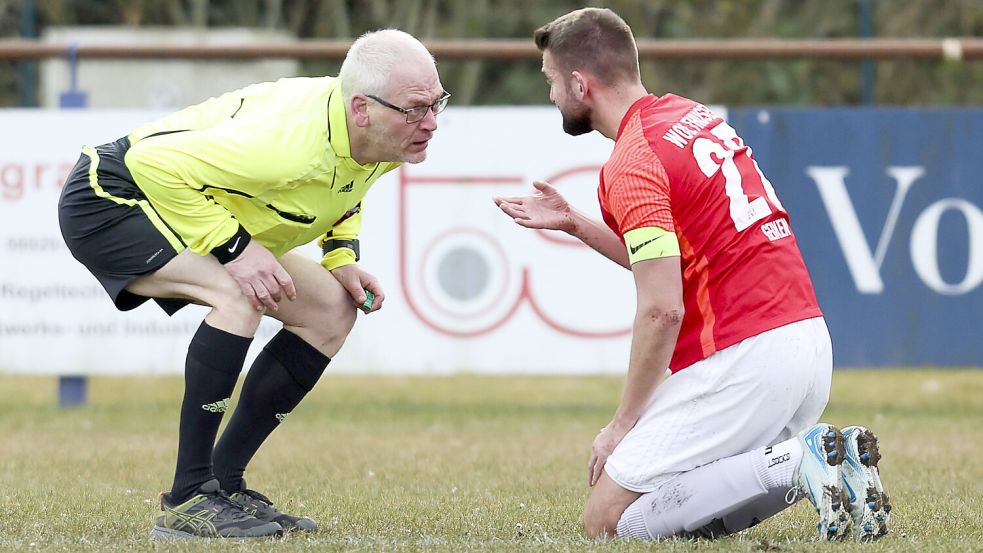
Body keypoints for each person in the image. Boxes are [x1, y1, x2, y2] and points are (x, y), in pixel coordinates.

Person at [494, 8, 891, 542]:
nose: (550, 96)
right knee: (689, 496)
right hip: (807, 343)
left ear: (578, 83)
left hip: (744, 354)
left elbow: (663, 307)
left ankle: (798, 462)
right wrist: (576, 223)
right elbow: (674, 259)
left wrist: (622, 423)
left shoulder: (633, 161)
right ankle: (832, 466)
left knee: (606, 521)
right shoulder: (688, 116)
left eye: (549, 82)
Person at [58, 29, 449, 540]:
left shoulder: (379, 134)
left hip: (181, 204)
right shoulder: (285, 144)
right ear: (360, 109)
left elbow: (348, 187)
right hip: (110, 198)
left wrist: (340, 255)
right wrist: (235, 250)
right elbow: (149, 164)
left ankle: (222, 481)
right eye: (417, 109)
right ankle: (189, 498)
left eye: (438, 103)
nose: (432, 123)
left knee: (331, 308)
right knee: (238, 292)